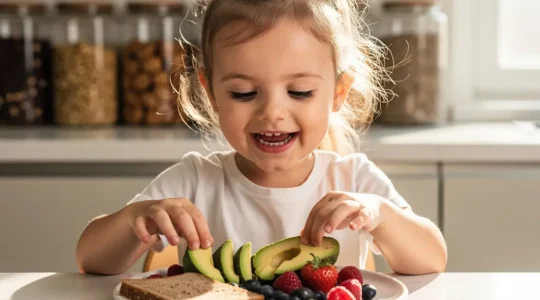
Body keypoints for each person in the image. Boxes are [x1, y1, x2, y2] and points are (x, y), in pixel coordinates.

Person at [76, 0, 447, 276]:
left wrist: (379, 215)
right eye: (243, 93)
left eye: (299, 92)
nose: (272, 112)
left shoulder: (353, 180)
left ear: (338, 92)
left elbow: (432, 259)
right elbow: (90, 259)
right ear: (211, 93)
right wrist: (136, 219)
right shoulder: (193, 182)